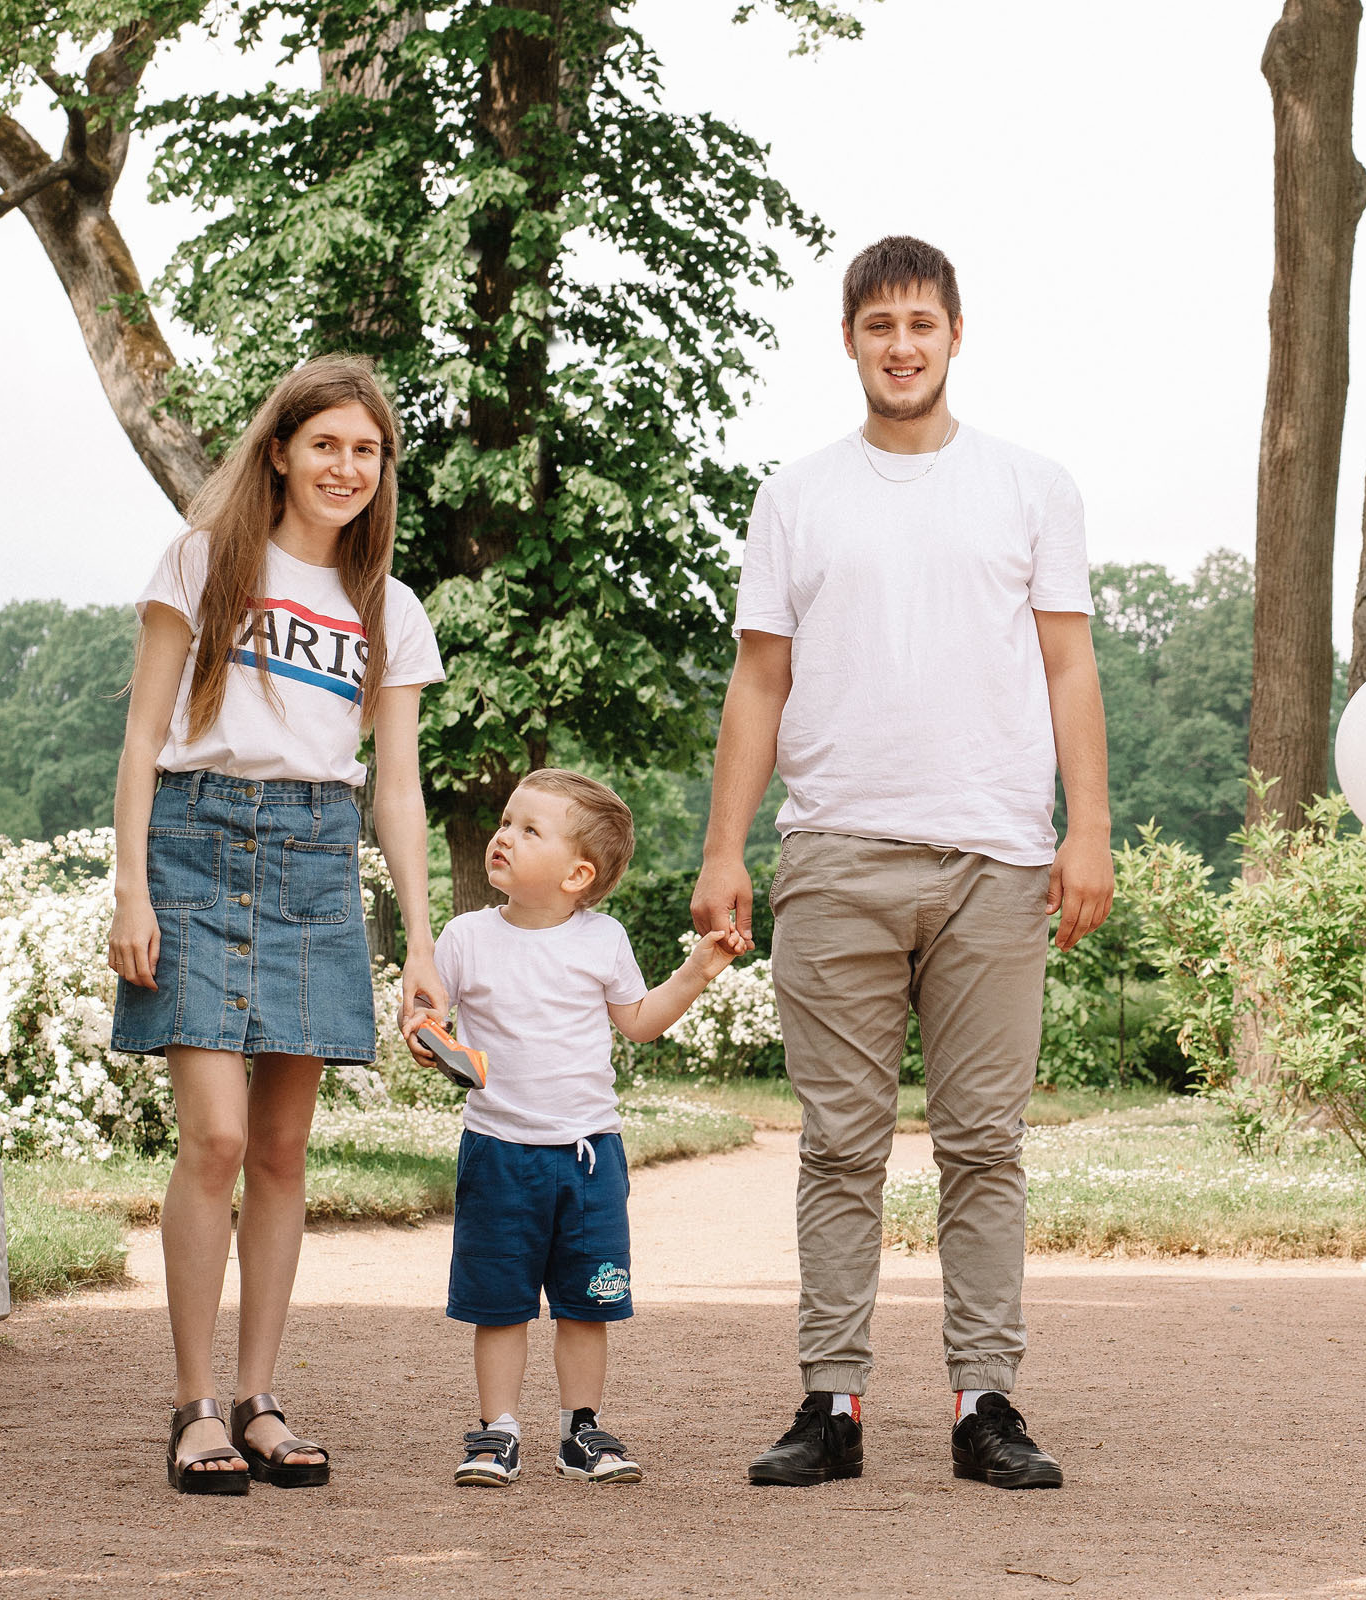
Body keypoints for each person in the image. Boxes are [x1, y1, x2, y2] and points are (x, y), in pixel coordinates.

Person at [690, 235, 1114, 1491]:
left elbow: (1069, 664)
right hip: (836, 852)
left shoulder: (1032, 487)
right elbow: (758, 679)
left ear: (955, 334)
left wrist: (1087, 827)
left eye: (921, 322)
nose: (902, 344)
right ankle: (832, 1403)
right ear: (850, 341)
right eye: (879, 325)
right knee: (839, 1144)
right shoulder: (798, 495)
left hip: (997, 857)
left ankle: (987, 1403)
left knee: (983, 1143)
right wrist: (724, 849)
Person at [108, 355, 446, 1496]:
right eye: (327, 445)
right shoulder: (203, 563)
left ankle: (259, 1398)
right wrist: (131, 889)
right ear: (282, 453)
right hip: (196, 844)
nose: (347, 468)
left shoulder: (390, 609)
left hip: (314, 854)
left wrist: (422, 942)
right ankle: (194, 1403)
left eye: (367, 451)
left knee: (283, 1149)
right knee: (212, 1138)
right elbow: (142, 736)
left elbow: (396, 787)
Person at [415, 768, 745, 1489]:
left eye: (529, 829)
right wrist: (428, 1034)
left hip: (589, 1156)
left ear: (577, 875)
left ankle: (580, 1429)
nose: (503, 836)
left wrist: (698, 970)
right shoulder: (466, 936)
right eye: (506, 821)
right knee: (500, 1304)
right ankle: (498, 1430)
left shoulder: (604, 939)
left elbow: (640, 1022)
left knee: (585, 1304)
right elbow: (429, 1016)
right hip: (498, 1152)